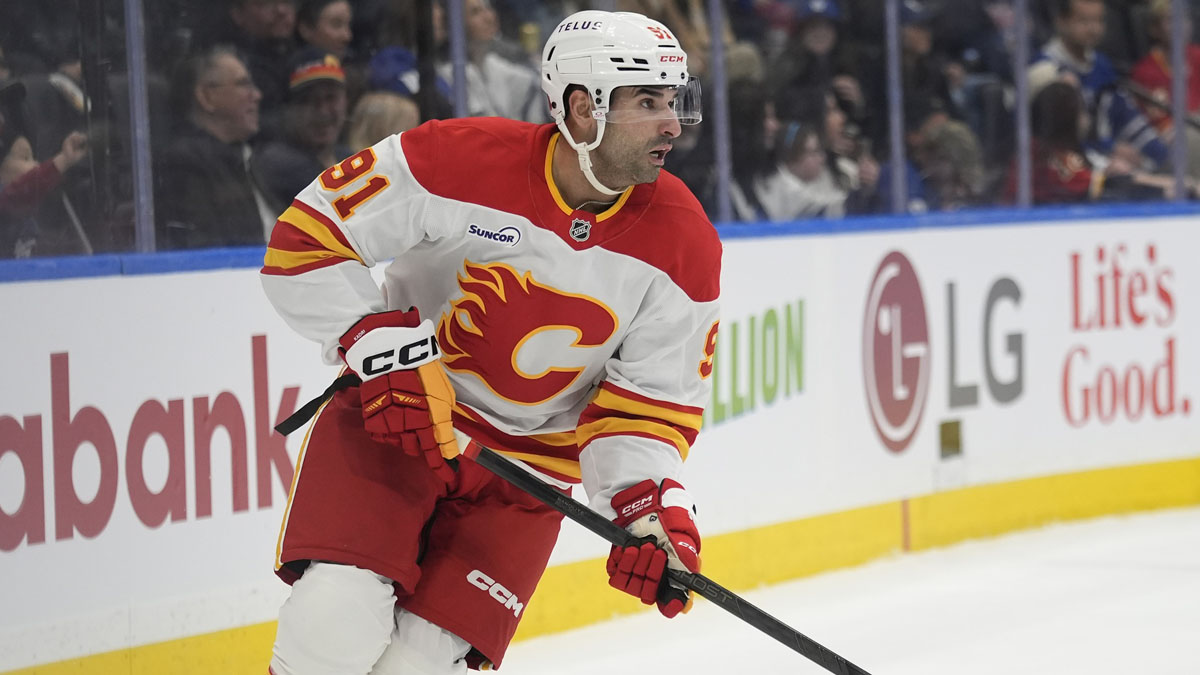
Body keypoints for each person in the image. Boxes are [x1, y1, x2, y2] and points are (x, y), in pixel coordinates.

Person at [263, 9, 719, 674]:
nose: (672, 125)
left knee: (417, 668)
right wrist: (379, 345)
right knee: (331, 626)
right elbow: (306, 237)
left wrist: (649, 510)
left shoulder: (684, 240)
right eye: (647, 102)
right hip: (400, 425)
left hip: (526, 481)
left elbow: (650, 407)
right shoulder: (452, 158)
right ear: (581, 107)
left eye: (674, 102)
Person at [156, 46, 279, 248]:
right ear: (206, 97)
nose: (256, 95)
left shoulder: (247, 158)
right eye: (243, 84)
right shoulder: (185, 163)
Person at [1033, 0, 1169, 171]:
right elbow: (1056, 140)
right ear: (1061, 21)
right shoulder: (1044, 70)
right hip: (1062, 168)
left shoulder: (1101, 65)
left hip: (1103, 158)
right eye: (1083, 21)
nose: (1093, 29)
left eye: (1098, 21)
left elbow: (1126, 116)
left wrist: (1163, 155)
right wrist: (1108, 148)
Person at [257, 48, 352, 208]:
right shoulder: (278, 164)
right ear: (287, 110)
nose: (322, 111)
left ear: (346, 101)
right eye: (308, 101)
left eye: (331, 98)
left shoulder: (349, 157)